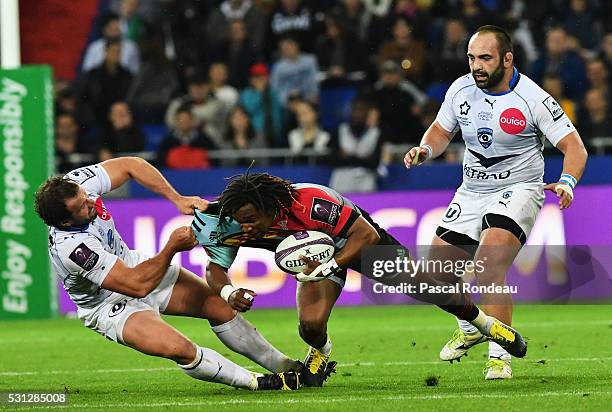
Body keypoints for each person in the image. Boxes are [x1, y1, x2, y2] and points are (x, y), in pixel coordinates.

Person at [190, 171, 529, 387]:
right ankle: (321, 351)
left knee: (426, 288)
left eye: (250, 219)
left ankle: (486, 325)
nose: (245, 227)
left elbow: (364, 235)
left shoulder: (310, 202)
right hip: (317, 258)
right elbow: (214, 269)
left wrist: (329, 264)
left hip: (359, 244)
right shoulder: (228, 221)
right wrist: (229, 291)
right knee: (309, 326)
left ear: (270, 207)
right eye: (240, 220)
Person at [404, 25, 588, 380]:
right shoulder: (460, 89)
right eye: (472, 57)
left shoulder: (533, 99)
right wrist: (425, 148)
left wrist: (567, 182)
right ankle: (472, 325)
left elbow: (574, 147)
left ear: (507, 59)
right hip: (472, 190)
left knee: (489, 266)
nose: (476, 66)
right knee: (437, 276)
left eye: (485, 58)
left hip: (520, 189)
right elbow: (442, 131)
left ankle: (498, 355)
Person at [34, 157, 302, 391]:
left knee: (219, 306)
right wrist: (171, 248)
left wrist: (176, 198)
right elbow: (136, 286)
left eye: (86, 195)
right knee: (181, 350)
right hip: (109, 303)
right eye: (81, 206)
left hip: (134, 265)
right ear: (66, 222)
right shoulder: (72, 247)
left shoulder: (77, 186)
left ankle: (286, 366)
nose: (91, 201)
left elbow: (131, 166)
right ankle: (255, 381)